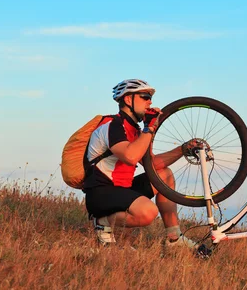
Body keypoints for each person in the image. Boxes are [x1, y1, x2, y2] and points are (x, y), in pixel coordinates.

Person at [83, 79, 209, 256]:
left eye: (150, 97)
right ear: (128, 100)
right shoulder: (113, 125)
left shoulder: (135, 130)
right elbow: (130, 156)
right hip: (101, 193)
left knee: (164, 175)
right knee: (148, 213)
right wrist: (149, 128)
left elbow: (153, 165)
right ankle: (102, 221)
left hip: (122, 189)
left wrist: (183, 149)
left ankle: (174, 238)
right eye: (145, 97)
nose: (150, 101)